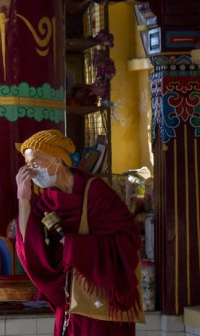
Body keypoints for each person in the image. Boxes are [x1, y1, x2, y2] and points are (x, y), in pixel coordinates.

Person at [15, 129, 142, 336]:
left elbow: (129, 240)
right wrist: (23, 197)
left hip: (101, 297)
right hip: (69, 300)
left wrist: (78, 246)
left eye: (35, 163)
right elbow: (30, 245)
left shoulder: (96, 193)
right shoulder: (48, 200)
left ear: (56, 160)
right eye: (28, 165)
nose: (31, 171)